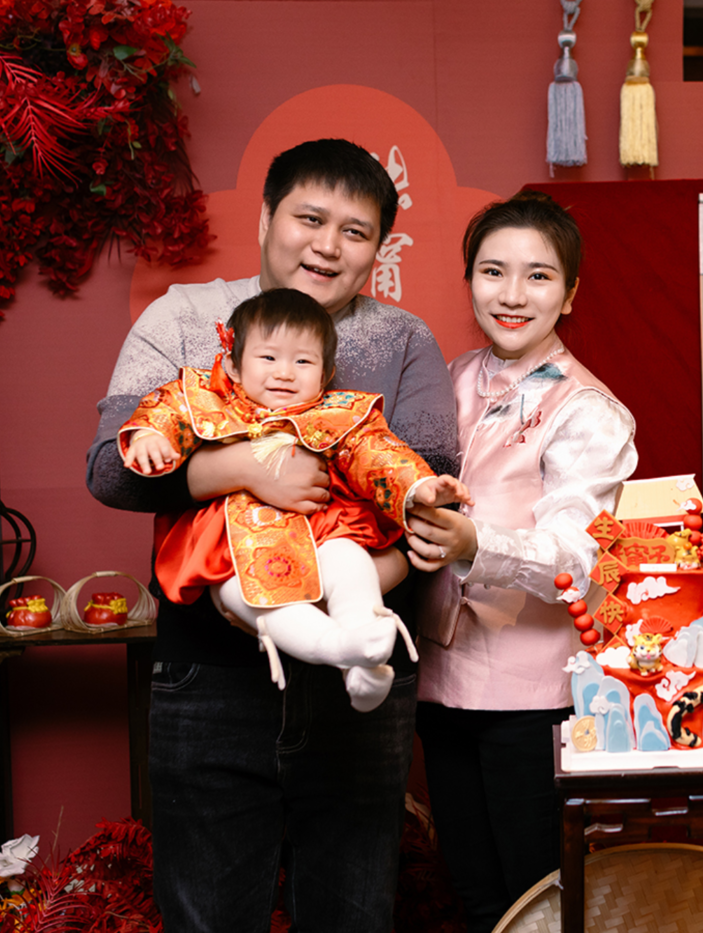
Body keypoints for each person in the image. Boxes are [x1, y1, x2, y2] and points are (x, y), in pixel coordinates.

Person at [86, 138, 457, 932]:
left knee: (353, 913)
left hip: (359, 672)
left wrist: (347, 583)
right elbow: (111, 470)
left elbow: (424, 494)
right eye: (309, 219)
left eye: (355, 231)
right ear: (265, 218)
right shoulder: (184, 318)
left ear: (379, 249)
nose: (328, 246)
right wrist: (247, 468)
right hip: (211, 671)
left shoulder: (403, 340)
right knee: (208, 915)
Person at [403, 191, 638, 933]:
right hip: (438, 683)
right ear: (469, 280)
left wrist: (475, 544)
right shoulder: (447, 377)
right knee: (475, 896)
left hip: (532, 694)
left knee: (539, 899)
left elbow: (580, 554)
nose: (511, 294)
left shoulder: (588, 410)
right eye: (492, 271)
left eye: (538, 276)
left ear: (569, 293)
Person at [120, 288, 471, 711]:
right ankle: (338, 649)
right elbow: (166, 409)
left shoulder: (339, 414)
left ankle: (365, 646)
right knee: (249, 596)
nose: (285, 373)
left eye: (303, 362)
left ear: (325, 375)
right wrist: (149, 435)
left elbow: (377, 452)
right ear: (233, 365)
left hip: (323, 526)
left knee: (350, 560)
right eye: (268, 358)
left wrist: (418, 487)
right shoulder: (205, 399)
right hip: (233, 540)